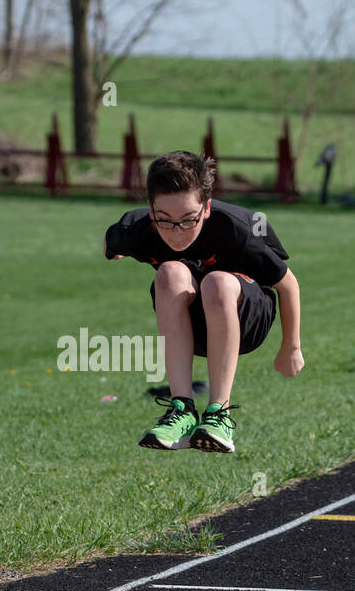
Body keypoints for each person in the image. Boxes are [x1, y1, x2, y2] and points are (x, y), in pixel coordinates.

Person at [104, 149, 304, 453]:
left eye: (188, 220)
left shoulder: (238, 230)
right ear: (150, 208)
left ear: (207, 208)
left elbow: (288, 285)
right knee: (170, 274)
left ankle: (218, 415)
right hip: (195, 327)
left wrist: (291, 348)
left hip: (247, 317)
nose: (176, 232)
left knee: (217, 281)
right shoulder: (137, 229)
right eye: (165, 220)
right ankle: (182, 410)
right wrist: (118, 249)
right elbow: (112, 241)